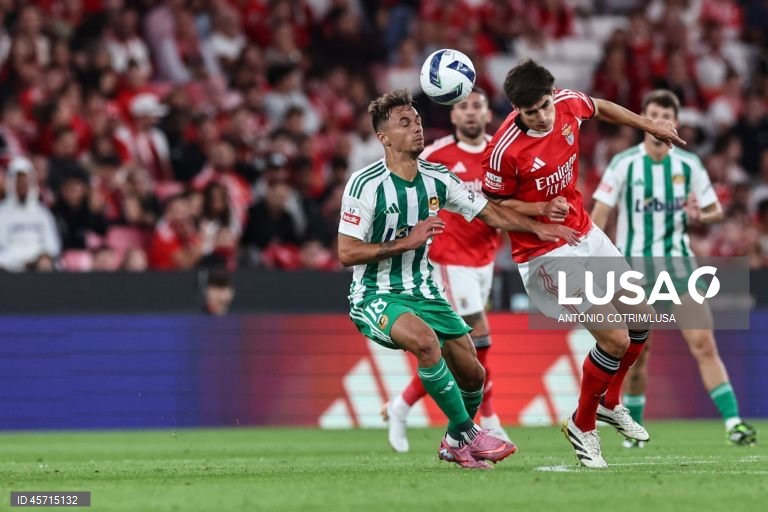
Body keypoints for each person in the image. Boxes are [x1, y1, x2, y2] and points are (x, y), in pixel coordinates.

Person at [338, 89, 580, 469]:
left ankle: (453, 442)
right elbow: (347, 252)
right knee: (425, 342)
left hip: (425, 291)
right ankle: (471, 431)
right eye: (405, 123)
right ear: (383, 137)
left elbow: (490, 213)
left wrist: (540, 227)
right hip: (375, 294)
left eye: (417, 121)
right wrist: (408, 241)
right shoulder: (365, 184)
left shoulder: (437, 178)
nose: (416, 128)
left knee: (473, 373)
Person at [481, 60, 684, 468]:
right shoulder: (504, 149)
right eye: (528, 111)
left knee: (644, 317)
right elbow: (490, 206)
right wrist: (539, 208)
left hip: (585, 232)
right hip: (544, 255)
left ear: (551, 95)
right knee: (615, 340)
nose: (538, 116)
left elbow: (601, 107)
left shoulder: (569, 103)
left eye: (542, 106)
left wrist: (648, 124)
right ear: (515, 109)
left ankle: (610, 401)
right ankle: (582, 424)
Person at [591, 89, 757, 447]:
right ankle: (632, 430)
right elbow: (600, 214)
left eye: (665, 114)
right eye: (651, 113)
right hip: (632, 268)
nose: (658, 121)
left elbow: (714, 210)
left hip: (679, 268)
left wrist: (702, 214)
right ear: (643, 120)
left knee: (704, 344)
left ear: (675, 122)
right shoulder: (624, 164)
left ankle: (733, 423)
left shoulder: (688, 165)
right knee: (639, 352)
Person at [381, 89, 512, 453]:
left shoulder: (500, 153)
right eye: (462, 107)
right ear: (452, 117)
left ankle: (401, 405)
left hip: (484, 260)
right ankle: (488, 418)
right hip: (448, 261)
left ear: (487, 114)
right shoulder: (436, 156)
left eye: (476, 106)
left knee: (456, 351)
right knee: (478, 335)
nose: (470, 113)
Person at [0, 156, 61, 272]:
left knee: (46, 264)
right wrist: (20, 261)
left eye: (25, 182)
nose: (23, 186)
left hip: (37, 263)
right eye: (19, 182)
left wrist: (37, 258)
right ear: (11, 183)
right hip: (8, 263)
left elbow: (52, 246)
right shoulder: (2, 212)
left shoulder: (42, 213)